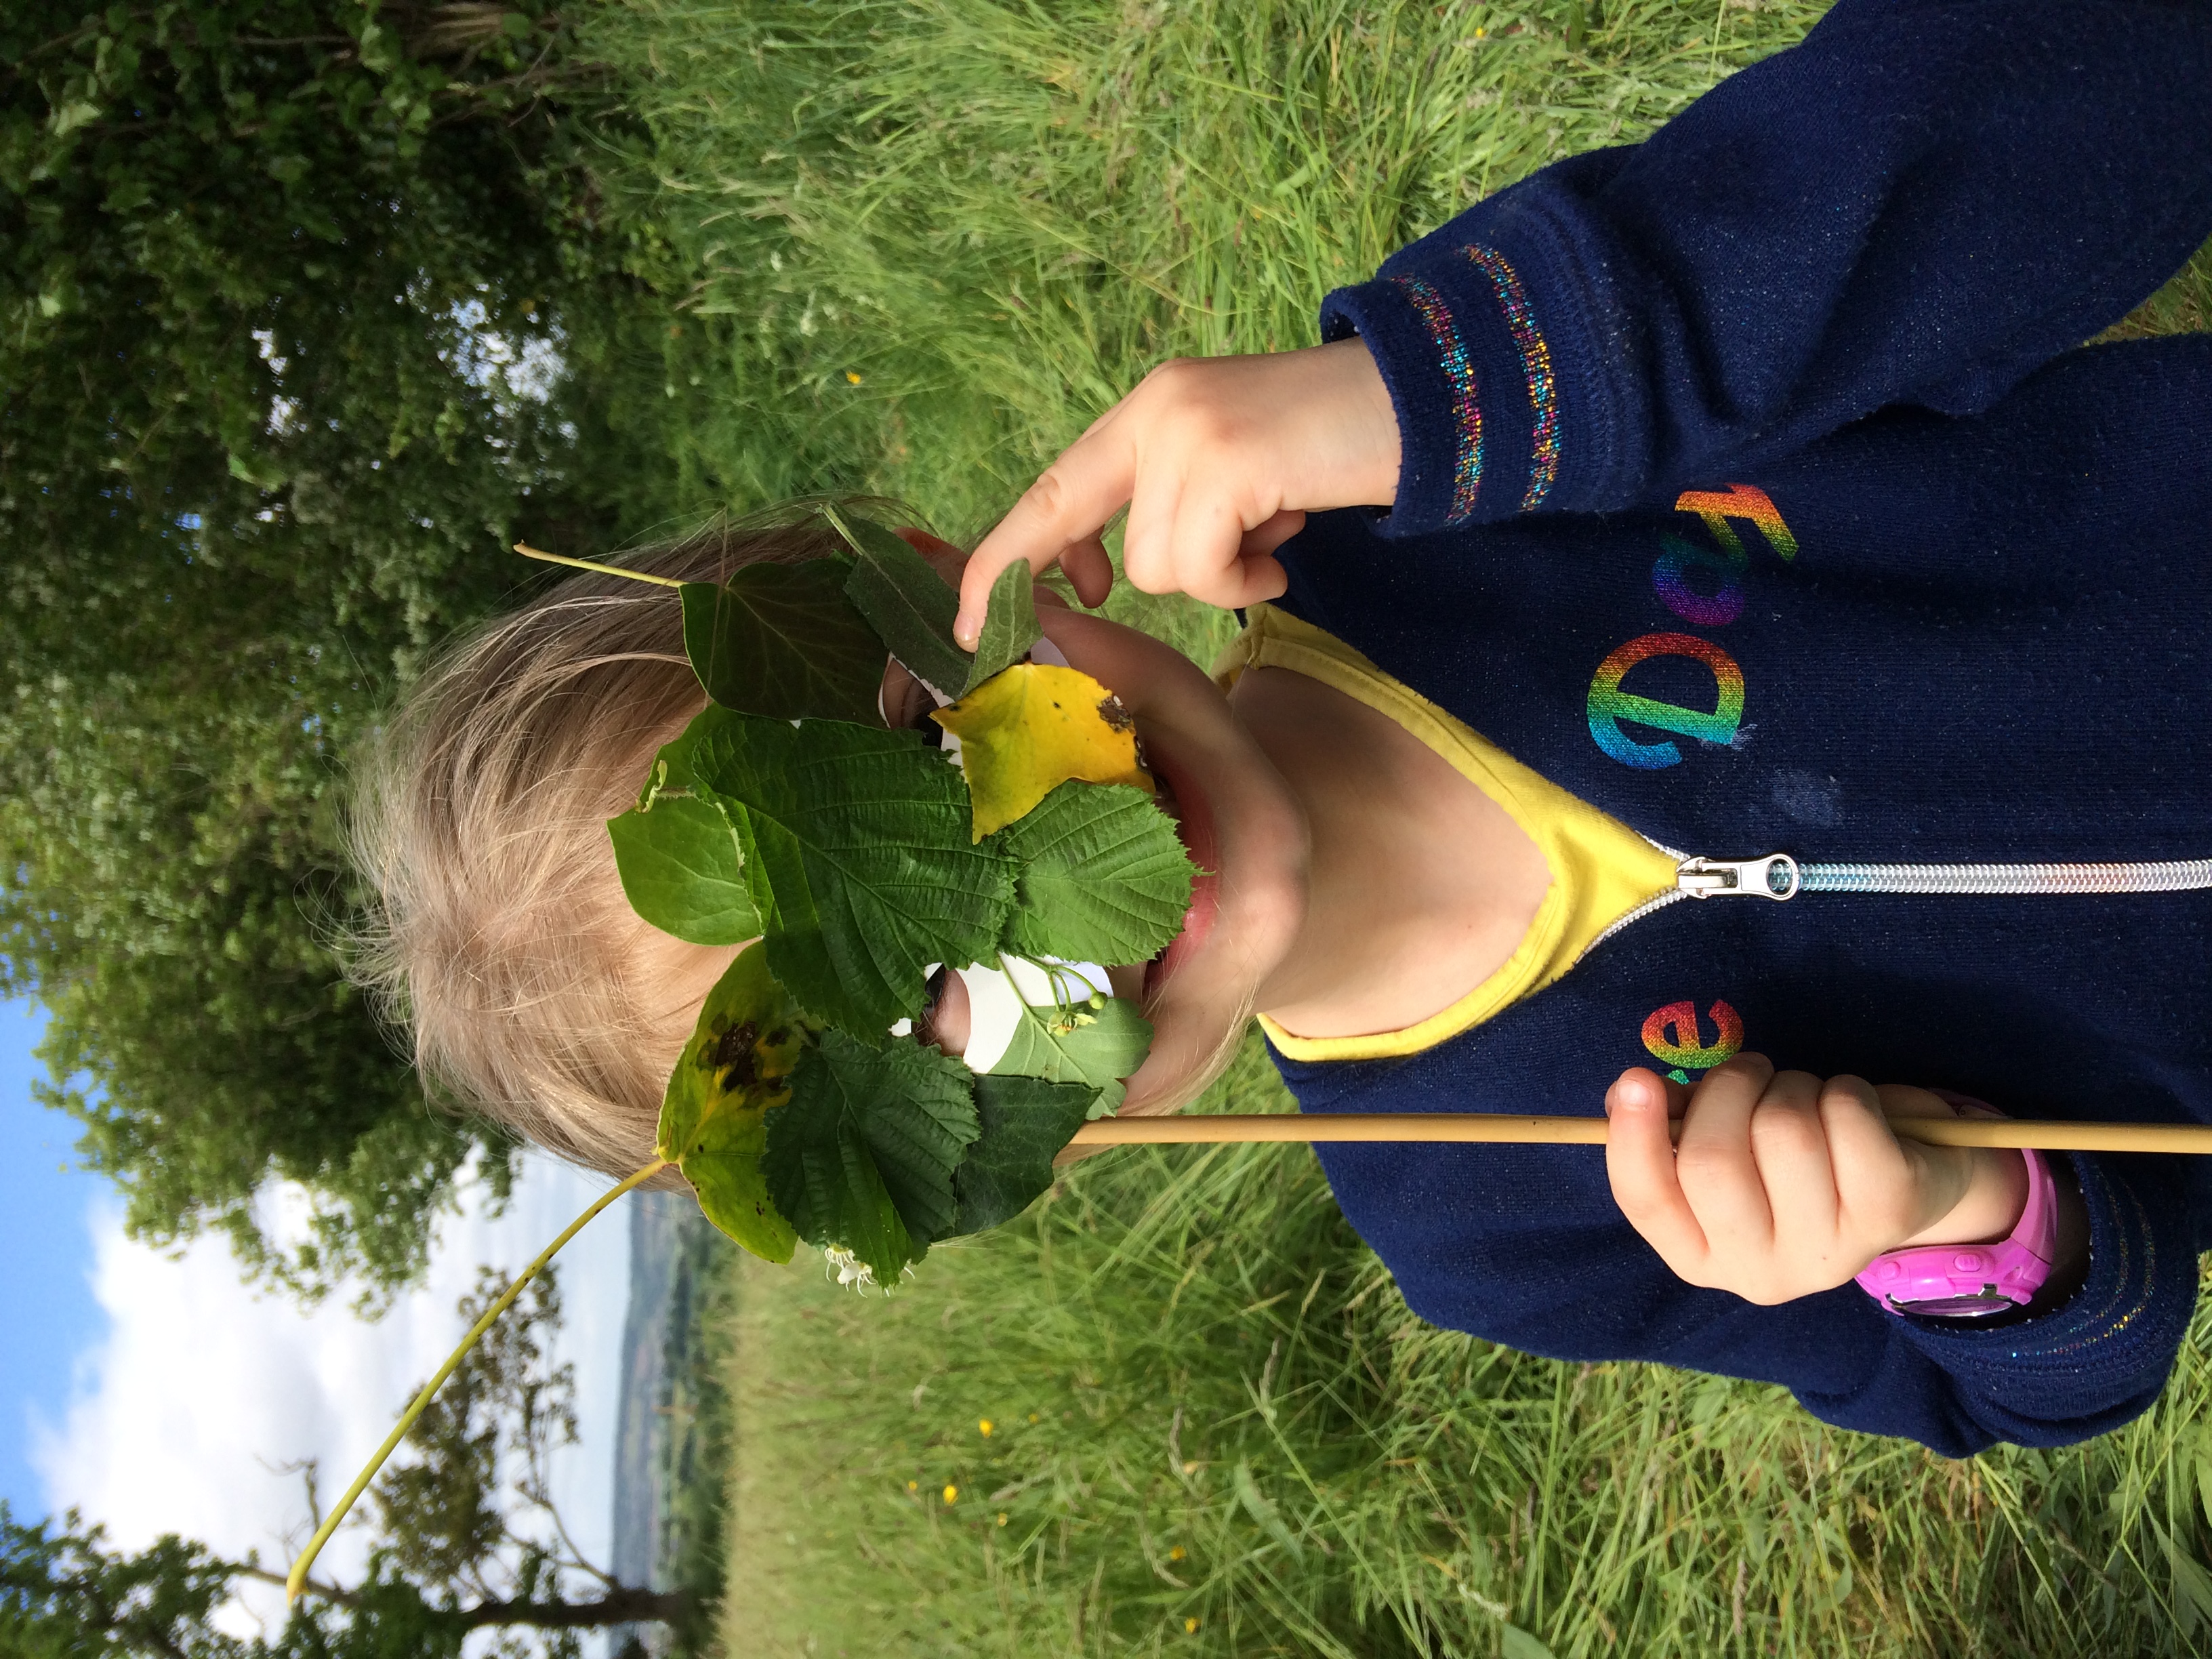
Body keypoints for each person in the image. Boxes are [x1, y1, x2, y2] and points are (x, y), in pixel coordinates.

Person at [350, 0, 2212, 1456]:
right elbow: (2055, 1376)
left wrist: (1492, 391)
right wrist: (1963, 1224)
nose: (1023, 886)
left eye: (914, 757)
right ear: (978, 1164)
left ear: (947, 583)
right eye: (911, 1011)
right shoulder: (1493, 1219)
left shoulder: (1460, 450)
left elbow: (2103, 90)